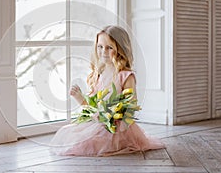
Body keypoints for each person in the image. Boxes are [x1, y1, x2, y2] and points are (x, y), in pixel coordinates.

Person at [50, 25, 165, 156]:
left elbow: (130, 106)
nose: (103, 51)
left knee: (89, 143)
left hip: (117, 127)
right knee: (70, 135)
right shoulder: (100, 73)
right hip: (98, 122)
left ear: (120, 50)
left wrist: (110, 117)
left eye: (109, 48)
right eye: (100, 47)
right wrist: (80, 99)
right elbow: (93, 107)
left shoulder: (125, 75)